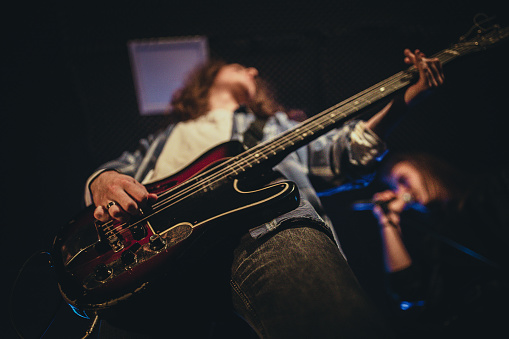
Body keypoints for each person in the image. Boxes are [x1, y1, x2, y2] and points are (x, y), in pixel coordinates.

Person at [85, 49, 443, 338]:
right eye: (241, 65)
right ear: (208, 78)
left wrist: (404, 100)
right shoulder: (162, 137)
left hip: (268, 227)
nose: (254, 71)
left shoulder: (279, 126)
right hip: (150, 252)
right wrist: (101, 183)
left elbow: (344, 152)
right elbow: (111, 175)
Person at [370, 152, 509, 338]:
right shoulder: (432, 241)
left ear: (423, 168)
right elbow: (409, 291)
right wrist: (388, 222)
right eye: (395, 188)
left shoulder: (491, 190)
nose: (402, 192)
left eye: (403, 180)